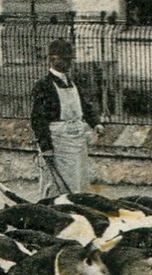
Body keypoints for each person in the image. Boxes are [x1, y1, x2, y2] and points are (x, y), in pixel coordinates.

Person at [30, 38, 100, 194]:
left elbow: (84, 106)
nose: (69, 64)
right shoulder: (44, 86)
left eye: (70, 60)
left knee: (79, 179)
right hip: (58, 142)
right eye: (66, 60)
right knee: (57, 182)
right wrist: (46, 146)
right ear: (53, 59)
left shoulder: (73, 83)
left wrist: (95, 123)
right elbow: (38, 119)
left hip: (77, 140)